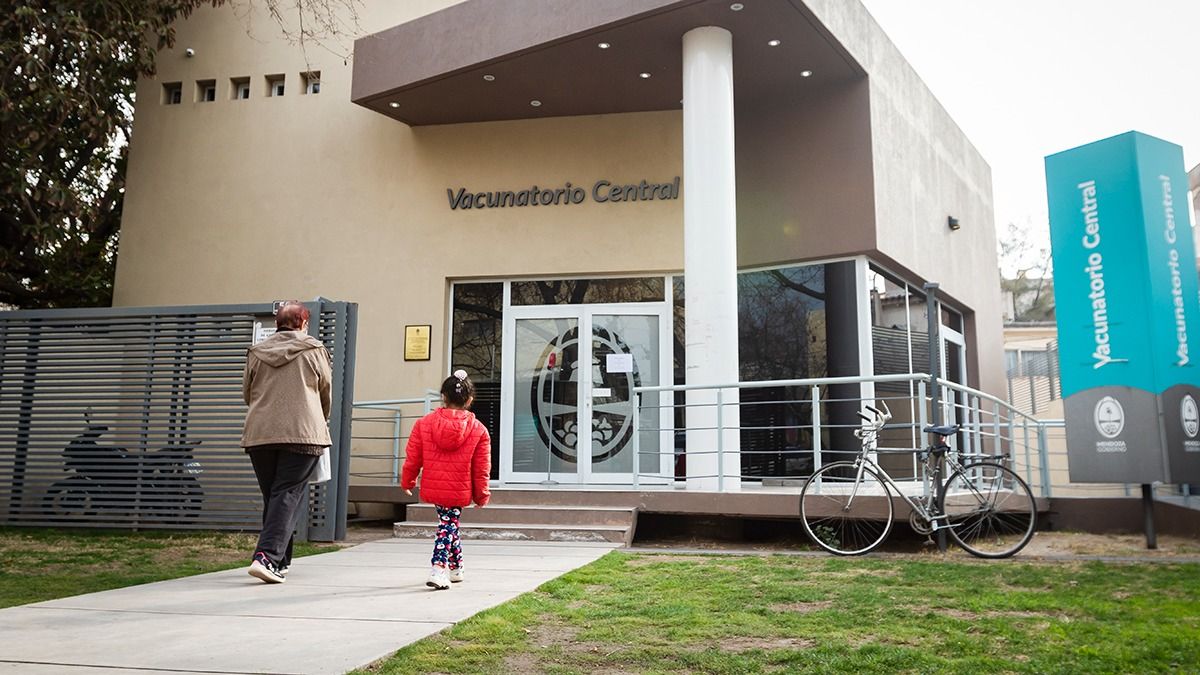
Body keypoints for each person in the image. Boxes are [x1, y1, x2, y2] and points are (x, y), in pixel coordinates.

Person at [241, 300, 332, 584]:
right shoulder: (314, 349)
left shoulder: (256, 352)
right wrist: (320, 418)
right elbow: (324, 392)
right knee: (287, 494)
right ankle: (266, 557)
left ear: (277, 324)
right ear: (304, 323)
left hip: (260, 433)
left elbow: (248, 393)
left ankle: (280, 561)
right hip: (302, 433)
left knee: (276, 496)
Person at [401, 369, 491, 590]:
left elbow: (413, 456)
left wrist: (408, 480)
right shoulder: (479, 430)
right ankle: (439, 568)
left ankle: (456, 567)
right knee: (448, 524)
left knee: (448, 523)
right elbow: (481, 469)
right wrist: (481, 495)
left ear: (443, 397)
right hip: (459, 489)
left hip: (435, 485)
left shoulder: (424, 424)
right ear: (469, 400)